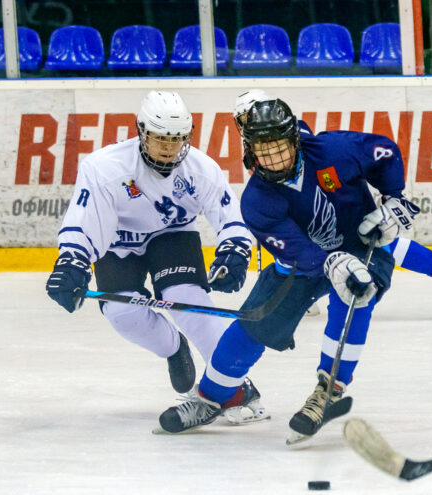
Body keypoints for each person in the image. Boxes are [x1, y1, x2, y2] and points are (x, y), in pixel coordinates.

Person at [157, 97, 417, 443]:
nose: (274, 159)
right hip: (300, 266)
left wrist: (394, 199)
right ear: (250, 151)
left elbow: (385, 152)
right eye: (263, 151)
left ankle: (328, 392)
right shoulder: (256, 202)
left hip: (360, 246)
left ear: (296, 139)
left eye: (280, 148)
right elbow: (297, 250)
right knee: (254, 325)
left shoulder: (335, 150)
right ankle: (213, 396)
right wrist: (329, 261)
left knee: (354, 294)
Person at [45, 90, 264, 420]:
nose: (168, 147)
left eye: (176, 139)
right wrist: (72, 260)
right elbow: (84, 218)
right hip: (118, 244)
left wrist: (235, 248)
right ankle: (173, 347)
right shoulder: (105, 168)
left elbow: (229, 214)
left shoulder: (201, 169)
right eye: (160, 138)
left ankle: (235, 386)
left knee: (190, 302)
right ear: (142, 132)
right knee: (123, 314)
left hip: (172, 236)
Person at [232, 90, 432, 304]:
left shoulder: (292, 133)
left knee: (363, 239)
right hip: (306, 207)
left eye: (250, 116)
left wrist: (393, 198)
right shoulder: (256, 148)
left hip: (331, 194)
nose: (248, 123)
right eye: (243, 119)